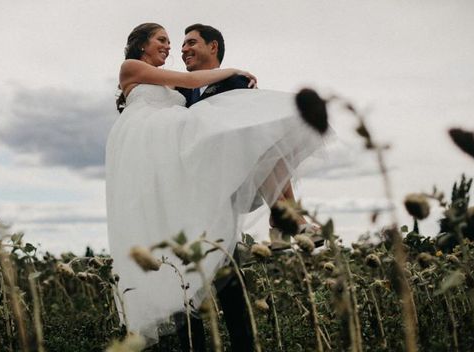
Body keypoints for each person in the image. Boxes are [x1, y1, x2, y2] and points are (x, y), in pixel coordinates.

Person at [106, 22, 325, 346]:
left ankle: (284, 213)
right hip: (157, 162)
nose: (172, 48)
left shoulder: (182, 95)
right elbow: (191, 80)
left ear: (213, 46)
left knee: (227, 283)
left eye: (177, 42)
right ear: (141, 44)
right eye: (163, 40)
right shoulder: (133, 68)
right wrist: (233, 69)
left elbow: (228, 120)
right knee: (179, 278)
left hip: (191, 183)